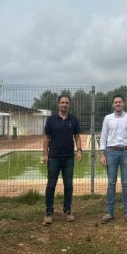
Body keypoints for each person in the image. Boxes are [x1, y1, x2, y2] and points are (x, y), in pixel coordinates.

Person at [99, 95, 127, 224]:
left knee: (126, 183)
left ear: (123, 104)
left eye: (120, 102)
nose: (118, 104)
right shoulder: (107, 118)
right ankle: (109, 213)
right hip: (111, 152)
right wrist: (102, 153)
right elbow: (104, 135)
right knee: (111, 183)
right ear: (113, 105)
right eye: (116, 102)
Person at [42, 94, 82, 225]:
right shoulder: (51, 120)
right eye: (62, 102)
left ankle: (67, 211)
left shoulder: (73, 120)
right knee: (51, 185)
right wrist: (45, 154)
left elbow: (77, 136)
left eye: (67, 103)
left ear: (69, 105)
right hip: (54, 157)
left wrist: (79, 150)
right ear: (58, 104)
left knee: (69, 186)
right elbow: (46, 138)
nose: (64, 105)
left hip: (69, 158)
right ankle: (49, 213)